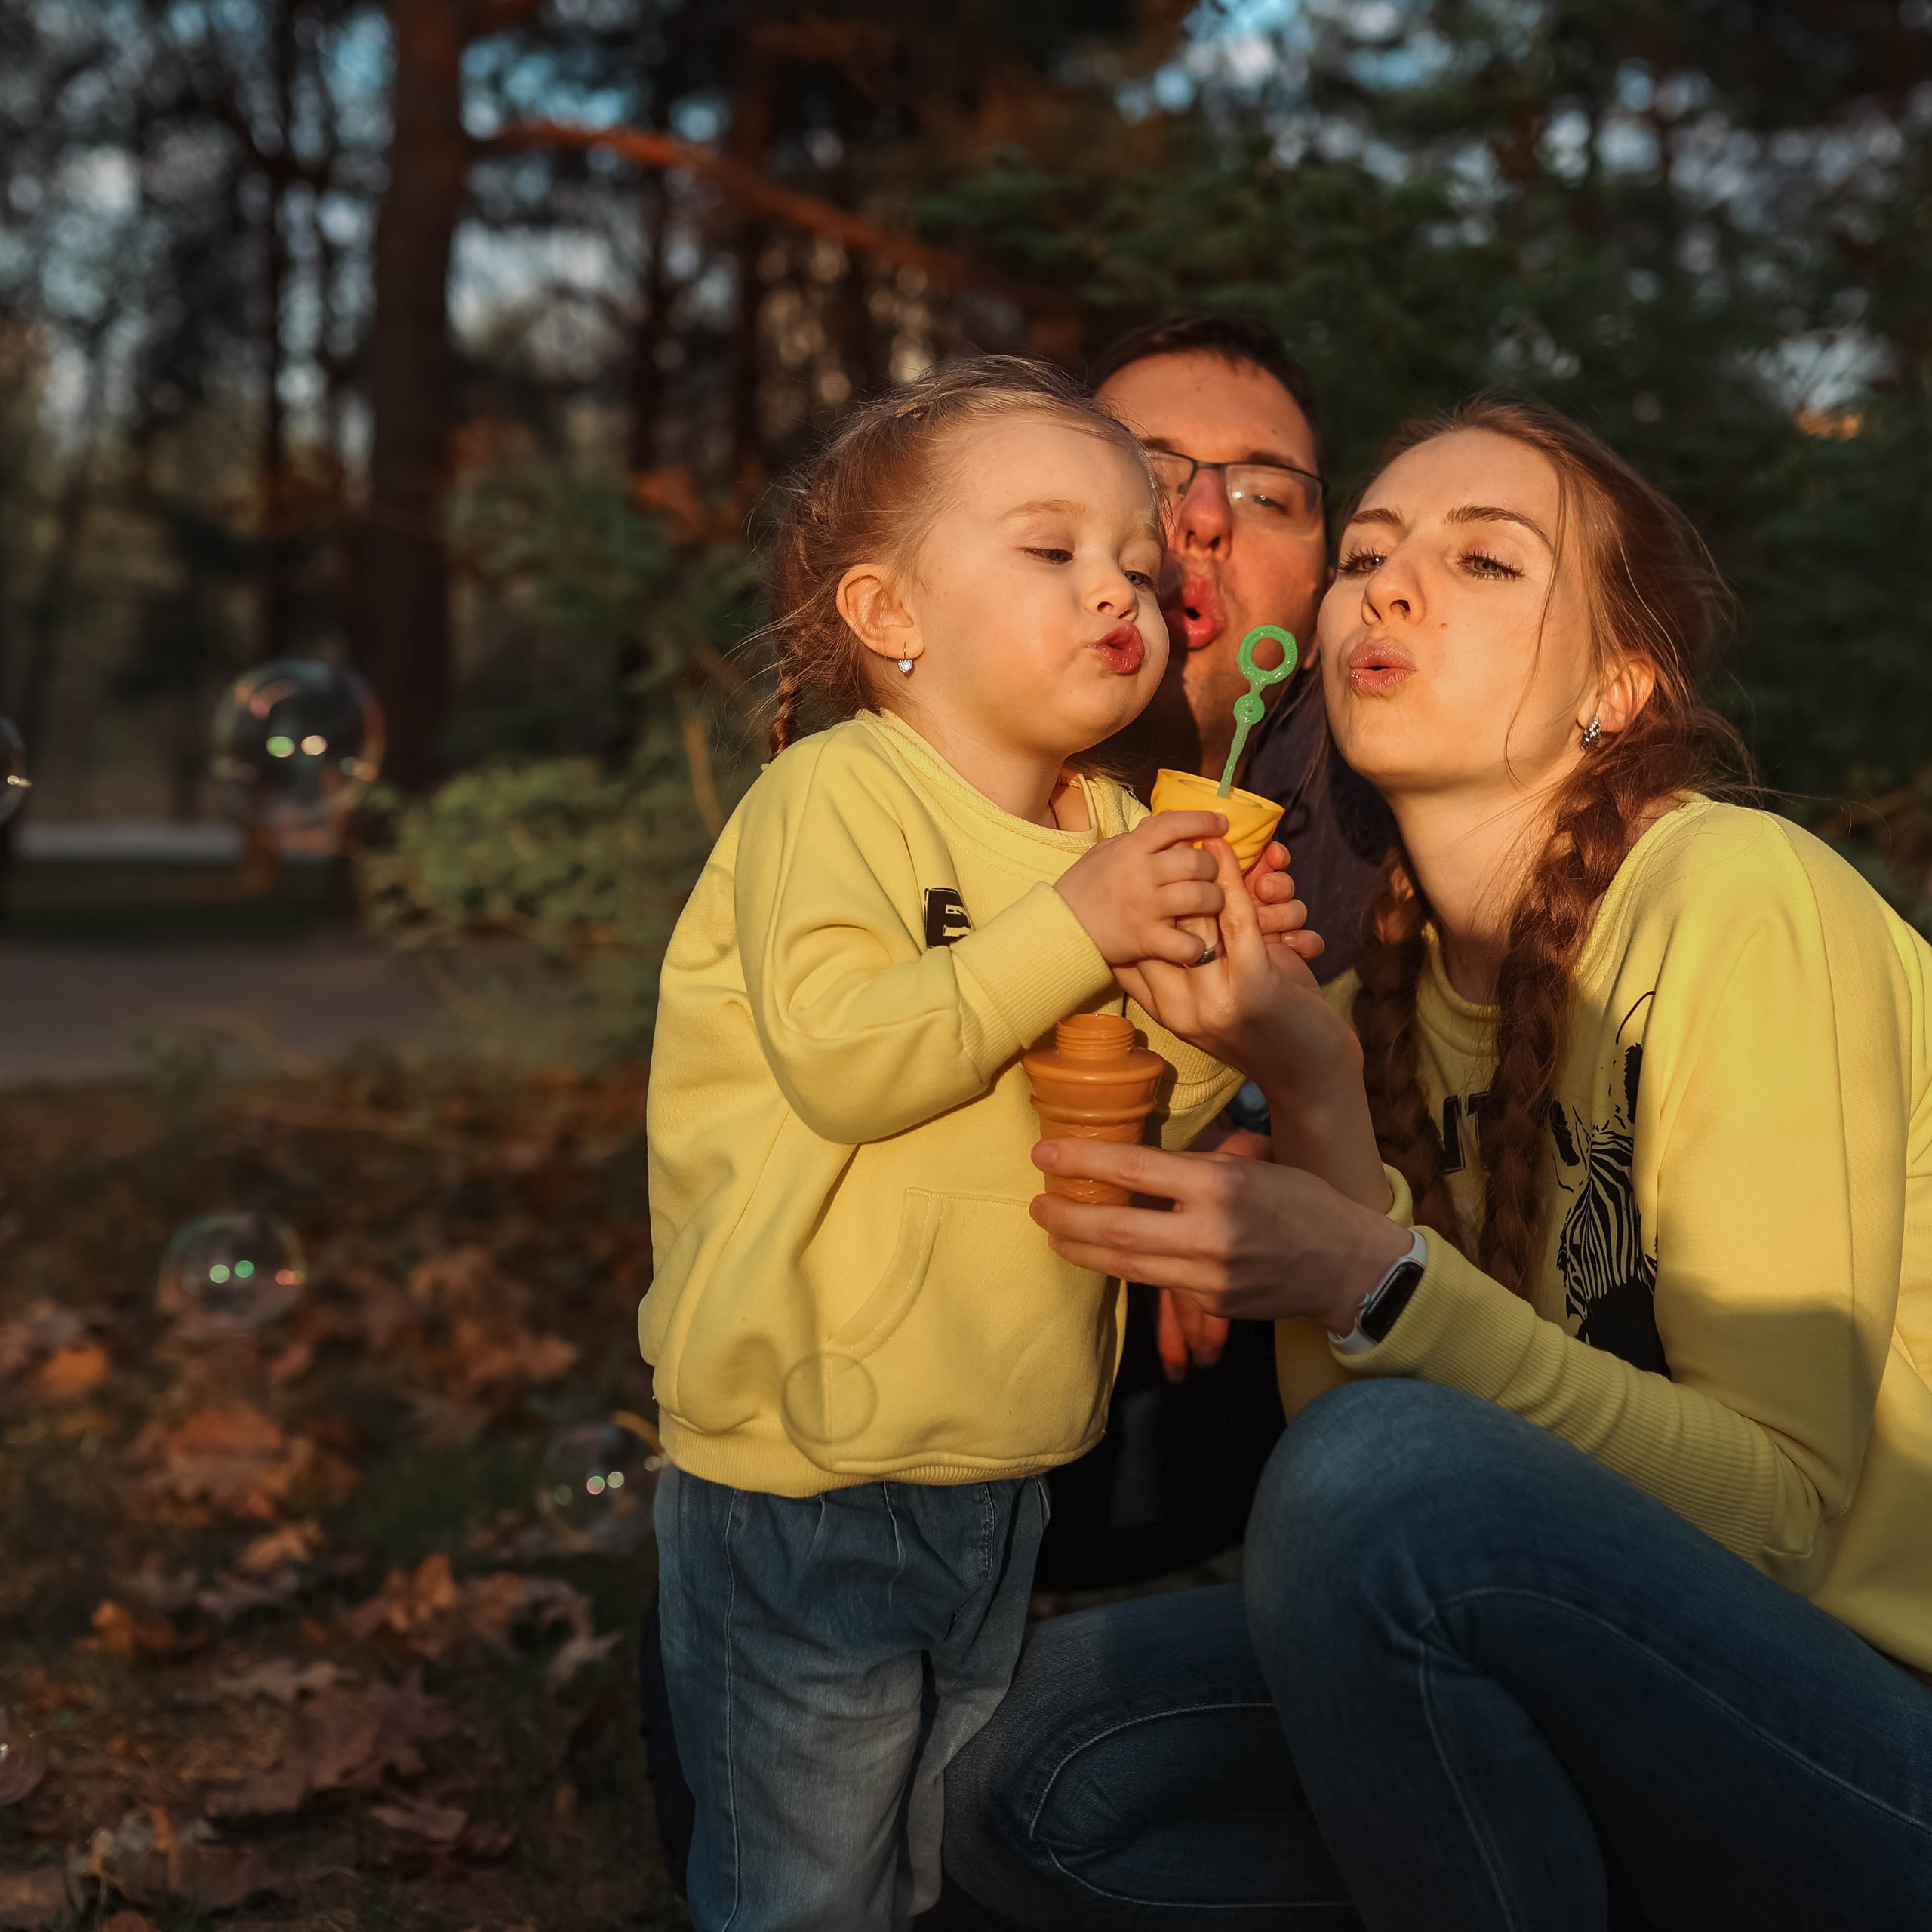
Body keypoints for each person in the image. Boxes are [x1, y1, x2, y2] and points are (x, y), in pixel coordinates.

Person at [943, 396, 1932, 1929]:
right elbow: (1325, 1569)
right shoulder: (1366, 1004)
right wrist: (1308, 1076)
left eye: (1484, 562)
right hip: (1615, 1674)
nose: (1386, 590)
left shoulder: (1733, 899)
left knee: (1374, 1479)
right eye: (1365, 555)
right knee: (1015, 1757)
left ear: (1617, 684)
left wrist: (1371, 1272)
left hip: (1873, 1731)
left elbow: (1777, 1516)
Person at [641, 355, 1310, 1930]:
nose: (1119, 592)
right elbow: (850, 1059)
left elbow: (1128, 1122)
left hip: (992, 1457)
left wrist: (1230, 1006)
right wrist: (1078, 921)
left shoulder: (1103, 822)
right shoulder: (838, 797)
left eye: (1138, 568)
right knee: (801, 1887)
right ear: (890, 615)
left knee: (914, 1870)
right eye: (1051, 550)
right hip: (810, 1456)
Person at [1033, 314, 1392, 1593]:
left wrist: (1254, 1121)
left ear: (1326, 577)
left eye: (1266, 492)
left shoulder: (1384, 793)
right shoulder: (931, 761)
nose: (1201, 518)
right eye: (1146, 461)